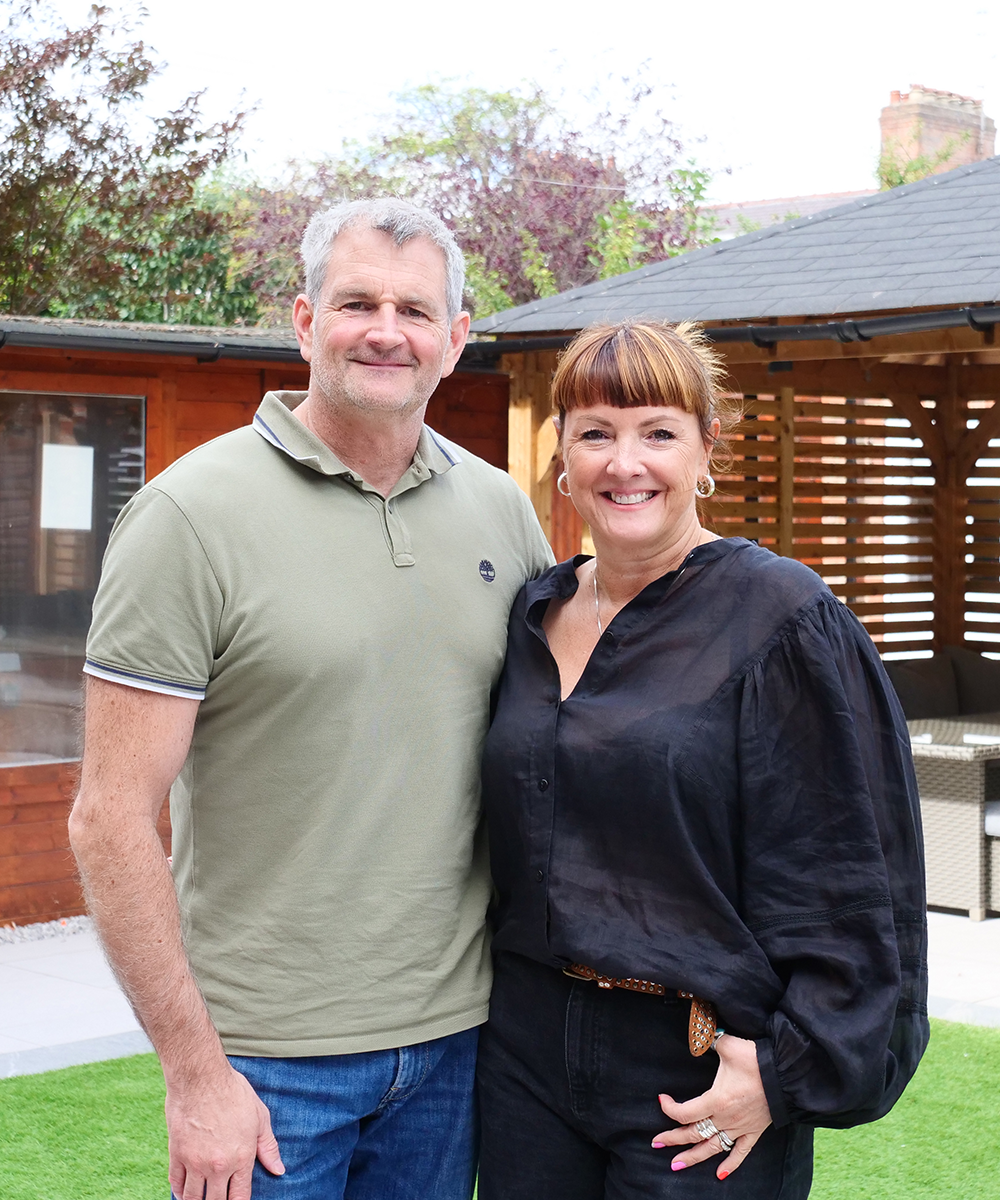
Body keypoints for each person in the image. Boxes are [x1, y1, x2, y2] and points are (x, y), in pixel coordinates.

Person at [68, 198, 553, 1200]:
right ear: (303, 321)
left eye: (416, 311)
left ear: (456, 340)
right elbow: (108, 818)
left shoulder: (502, 510)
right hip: (264, 1062)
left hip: (457, 1044)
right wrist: (195, 1074)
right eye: (357, 302)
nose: (386, 330)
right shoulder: (188, 517)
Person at [477, 320, 928, 1199]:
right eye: (596, 432)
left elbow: (854, 863)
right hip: (524, 1050)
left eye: (657, 432)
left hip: (696, 1065)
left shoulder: (780, 618)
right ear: (561, 452)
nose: (624, 461)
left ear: (706, 448)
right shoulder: (532, 615)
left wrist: (786, 1067)